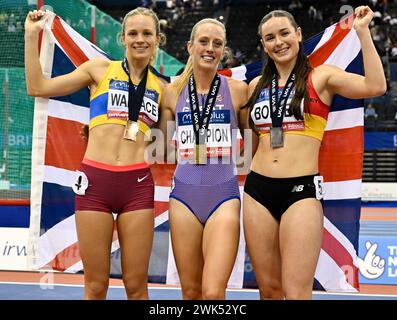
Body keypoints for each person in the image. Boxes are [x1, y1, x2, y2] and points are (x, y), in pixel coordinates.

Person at [242, 6, 386, 300]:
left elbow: (376, 86)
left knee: (296, 292)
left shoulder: (322, 77)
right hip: (257, 190)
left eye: (284, 34)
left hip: (301, 192)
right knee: (268, 290)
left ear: (297, 35)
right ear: (263, 45)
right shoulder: (255, 86)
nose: (278, 42)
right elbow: (254, 142)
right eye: (270, 38)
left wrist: (362, 33)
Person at [25, 7, 166, 299]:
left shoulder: (164, 88)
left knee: (137, 287)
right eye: (133, 33)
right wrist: (30, 37)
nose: (140, 39)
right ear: (122, 38)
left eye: (147, 33)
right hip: (95, 184)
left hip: (137, 186)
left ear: (157, 40)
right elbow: (37, 87)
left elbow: (166, 142)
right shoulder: (98, 69)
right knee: (95, 285)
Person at [161, 18, 247, 299]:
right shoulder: (171, 93)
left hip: (224, 195)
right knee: (191, 292)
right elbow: (161, 149)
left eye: (217, 44)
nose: (210, 48)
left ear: (223, 51)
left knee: (213, 293)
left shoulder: (237, 91)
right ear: (190, 46)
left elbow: (254, 144)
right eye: (204, 41)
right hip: (183, 197)